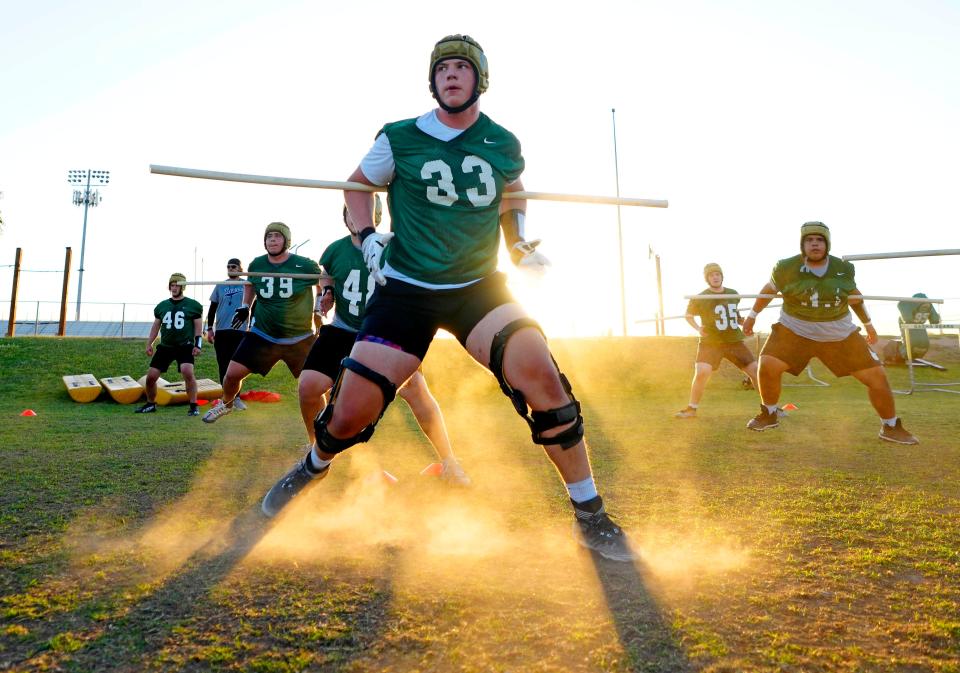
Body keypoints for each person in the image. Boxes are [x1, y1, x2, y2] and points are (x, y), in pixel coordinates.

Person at [260, 35, 635, 562]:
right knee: (349, 412)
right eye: (443, 69)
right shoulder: (400, 137)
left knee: (543, 378)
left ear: (479, 79)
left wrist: (520, 244)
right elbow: (356, 186)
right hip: (408, 289)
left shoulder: (501, 141)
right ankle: (314, 465)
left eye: (462, 68)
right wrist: (367, 240)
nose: (452, 76)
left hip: (477, 285)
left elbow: (513, 193)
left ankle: (590, 515)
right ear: (432, 81)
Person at [298, 199, 471, 485]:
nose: (354, 217)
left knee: (415, 389)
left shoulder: (392, 245)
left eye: (358, 211)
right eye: (348, 212)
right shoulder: (334, 249)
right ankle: (317, 450)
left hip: (382, 331)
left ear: (375, 215)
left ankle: (450, 460)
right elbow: (326, 276)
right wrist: (326, 292)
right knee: (308, 387)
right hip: (342, 329)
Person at [741, 222, 919, 444]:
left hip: (838, 333)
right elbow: (768, 291)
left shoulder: (842, 268)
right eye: (809, 240)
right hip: (795, 330)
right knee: (767, 365)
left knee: (878, 378)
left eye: (819, 240)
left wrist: (869, 324)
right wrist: (752, 315)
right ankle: (769, 413)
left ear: (827, 244)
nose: (814, 244)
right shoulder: (785, 267)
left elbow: (854, 297)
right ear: (802, 244)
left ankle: (890, 426)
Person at [202, 222, 321, 423]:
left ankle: (318, 440)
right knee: (231, 375)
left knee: (313, 389)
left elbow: (323, 281)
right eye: (269, 236)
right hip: (264, 334)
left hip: (298, 336)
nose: (272, 239)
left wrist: (319, 306)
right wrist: (245, 306)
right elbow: (251, 283)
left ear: (287, 240)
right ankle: (227, 404)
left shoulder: (305, 264)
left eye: (277, 236)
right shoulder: (257, 264)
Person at [675, 263, 759, 418]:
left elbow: (734, 314)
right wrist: (698, 328)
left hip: (734, 341)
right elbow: (688, 315)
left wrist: (742, 322)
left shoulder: (733, 294)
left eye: (718, 274)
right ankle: (691, 409)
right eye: (711, 275)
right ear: (707, 278)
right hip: (711, 342)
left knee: (756, 371)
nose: (715, 277)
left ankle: (770, 408)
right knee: (702, 372)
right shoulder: (700, 298)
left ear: (722, 276)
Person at [136, 273, 203, 416]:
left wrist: (198, 345)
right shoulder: (162, 306)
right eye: (172, 285)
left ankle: (193, 405)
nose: (174, 287)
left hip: (184, 345)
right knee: (151, 377)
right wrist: (150, 343)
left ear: (183, 287)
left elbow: (198, 327)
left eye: (177, 285)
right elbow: (156, 326)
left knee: (187, 372)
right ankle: (150, 403)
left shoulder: (193, 305)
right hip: (165, 346)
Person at [205, 258, 248, 410]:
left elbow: (253, 305)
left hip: (240, 330)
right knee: (223, 365)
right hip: (222, 331)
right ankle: (226, 399)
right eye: (228, 266)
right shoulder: (221, 285)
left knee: (237, 367)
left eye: (234, 266)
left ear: (240, 268)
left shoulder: (246, 284)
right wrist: (209, 328)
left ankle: (237, 398)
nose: (230, 269)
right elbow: (212, 307)